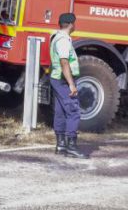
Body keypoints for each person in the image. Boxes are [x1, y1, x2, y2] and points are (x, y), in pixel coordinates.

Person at [50, 13, 88, 159]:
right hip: (63, 81)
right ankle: (71, 146)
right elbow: (64, 62)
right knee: (74, 111)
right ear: (71, 24)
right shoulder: (63, 40)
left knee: (60, 111)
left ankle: (61, 145)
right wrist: (71, 84)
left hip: (57, 79)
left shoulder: (56, 36)